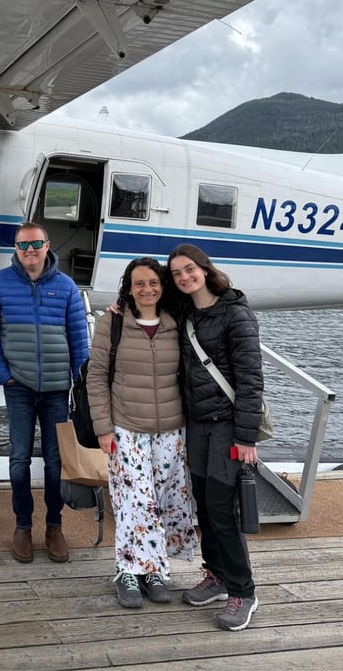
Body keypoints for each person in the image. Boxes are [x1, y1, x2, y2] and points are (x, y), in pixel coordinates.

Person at [86, 257, 197, 609]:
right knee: (135, 502)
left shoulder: (177, 321)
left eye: (153, 282)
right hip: (126, 426)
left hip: (170, 428)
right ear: (128, 288)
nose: (146, 289)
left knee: (163, 500)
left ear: (163, 286)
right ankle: (128, 572)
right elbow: (96, 375)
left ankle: (152, 570)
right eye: (139, 283)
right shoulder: (113, 322)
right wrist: (103, 427)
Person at [0, 221, 90, 564]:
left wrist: (81, 383)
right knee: (19, 460)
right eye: (22, 245)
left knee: (56, 463)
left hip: (57, 389)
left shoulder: (67, 287)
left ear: (47, 245)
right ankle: (23, 526)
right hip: (20, 387)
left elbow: (79, 340)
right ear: (15, 248)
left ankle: (54, 526)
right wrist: (1, 373)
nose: (29, 250)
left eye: (35, 244)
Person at [168, 243, 264, 631]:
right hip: (197, 426)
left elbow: (250, 379)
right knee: (205, 509)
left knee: (224, 512)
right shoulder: (185, 313)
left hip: (226, 426)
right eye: (176, 273)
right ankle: (218, 576)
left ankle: (245, 591)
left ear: (205, 269)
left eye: (189, 269)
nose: (184, 277)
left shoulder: (235, 314)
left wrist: (246, 437)